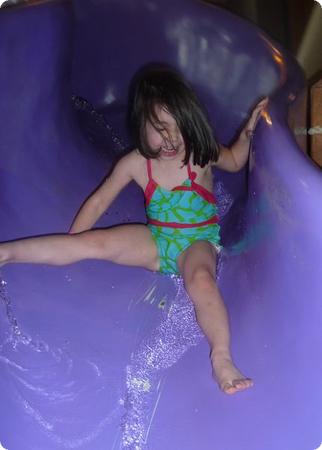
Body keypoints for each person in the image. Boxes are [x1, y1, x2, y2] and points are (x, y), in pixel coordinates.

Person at [0, 66, 267, 395]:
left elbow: (237, 161)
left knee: (200, 279)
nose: (170, 138)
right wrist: (76, 242)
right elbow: (98, 202)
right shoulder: (136, 163)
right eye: (159, 128)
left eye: (178, 127)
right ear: (141, 125)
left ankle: (222, 358)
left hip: (198, 241)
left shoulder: (202, 150)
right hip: (156, 241)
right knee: (97, 243)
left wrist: (248, 131)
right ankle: (7, 252)